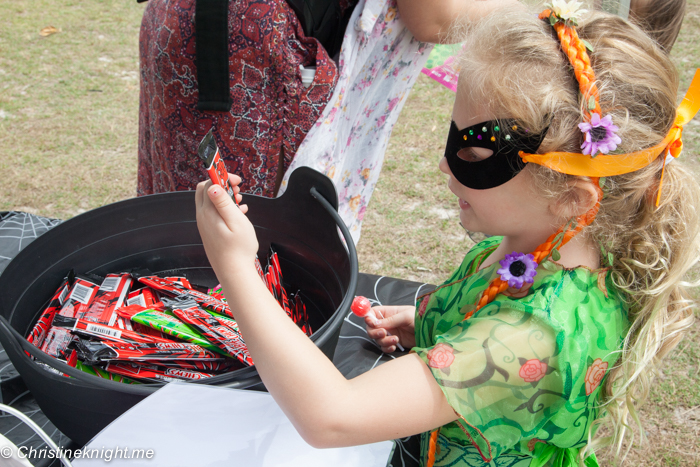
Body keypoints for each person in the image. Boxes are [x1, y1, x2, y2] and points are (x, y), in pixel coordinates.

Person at [194, 3, 700, 466]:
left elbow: (332, 416)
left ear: (571, 197)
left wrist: (236, 266)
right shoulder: (536, 244)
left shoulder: (533, 337)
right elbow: (488, 321)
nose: (443, 164)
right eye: (452, 136)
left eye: (474, 157)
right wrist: (436, 327)